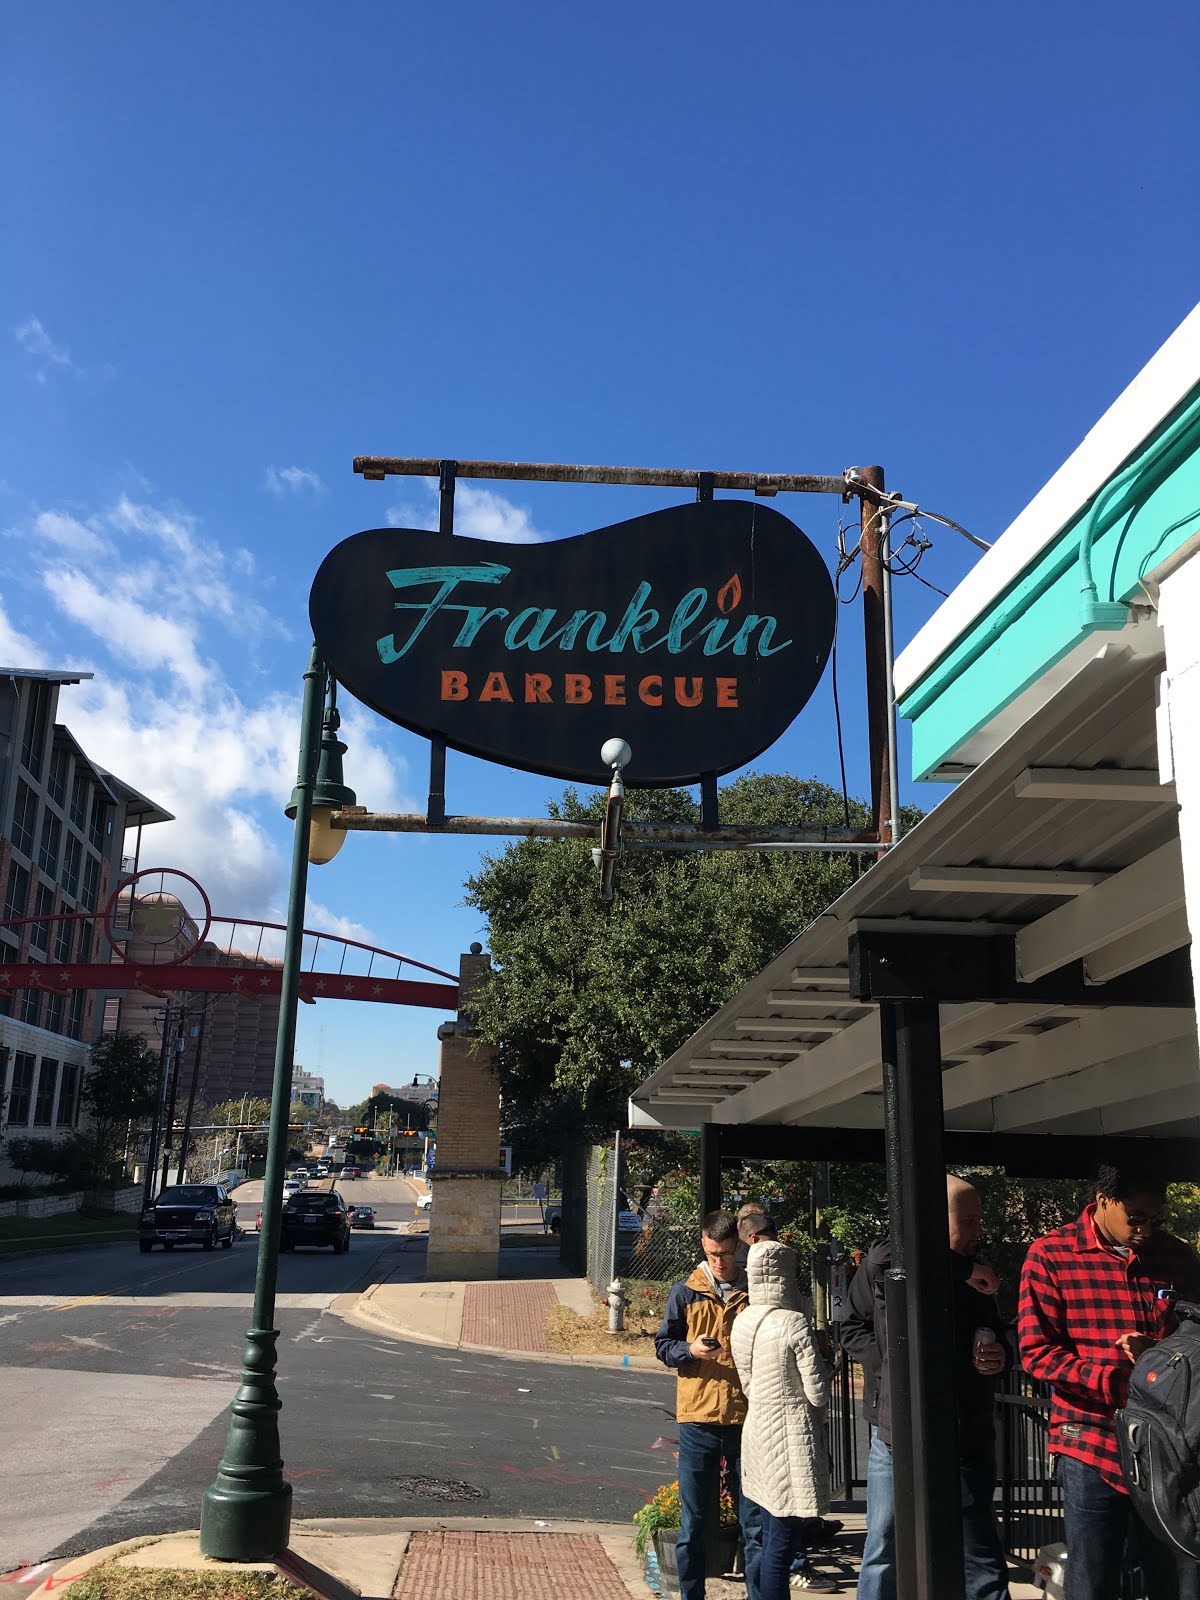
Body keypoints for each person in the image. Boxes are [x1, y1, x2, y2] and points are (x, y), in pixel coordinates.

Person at [1019, 1164, 1200, 1600]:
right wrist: (1122, 1383)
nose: (1145, 1230)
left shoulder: (1176, 1256)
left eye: (1154, 1219)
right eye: (1135, 1217)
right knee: (1094, 1578)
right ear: (1102, 1200)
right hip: (1091, 1440)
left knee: (1178, 1576)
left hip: (1168, 1446)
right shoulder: (1051, 1255)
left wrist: (1158, 1357)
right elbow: (1037, 1352)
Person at [840, 1174, 1011, 1600]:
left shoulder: (980, 1275)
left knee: (979, 1552)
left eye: (979, 1220)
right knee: (884, 1544)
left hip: (966, 1429)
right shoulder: (888, 1260)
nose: (978, 1230)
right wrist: (892, 1367)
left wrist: (1001, 1353)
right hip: (896, 1432)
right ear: (935, 1220)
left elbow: (998, 1331)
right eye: (968, 1220)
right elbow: (852, 1325)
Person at [655, 1209, 764, 1600]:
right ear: (703, 1244)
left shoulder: (754, 1291)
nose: (720, 1261)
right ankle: (691, 1595)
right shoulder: (685, 1292)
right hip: (697, 1418)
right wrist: (691, 1350)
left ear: (738, 1248)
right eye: (714, 1253)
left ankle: (758, 1592)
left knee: (754, 1522)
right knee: (695, 1522)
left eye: (727, 1253)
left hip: (743, 1418)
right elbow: (663, 1346)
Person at [731, 1238, 837, 1598]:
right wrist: (827, 1366)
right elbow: (817, 1392)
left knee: (766, 1530)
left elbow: (747, 1384)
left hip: (757, 1431)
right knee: (784, 1540)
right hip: (791, 1437)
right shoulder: (794, 1323)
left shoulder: (742, 1321)